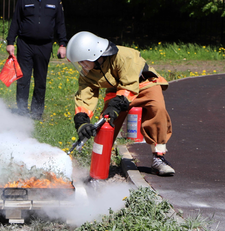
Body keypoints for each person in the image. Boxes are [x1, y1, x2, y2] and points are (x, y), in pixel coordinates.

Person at [66, 31, 175, 176]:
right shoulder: (89, 71)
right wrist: (82, 121)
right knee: (106, 123)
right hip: (117, 89)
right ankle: (99, 164)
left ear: (95, 55)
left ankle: (158, 158)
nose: (81, 65)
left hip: (144, 84)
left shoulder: (125, 56)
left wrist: (115, 106)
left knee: (157, 109)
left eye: (83, 61)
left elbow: (129, 85)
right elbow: (85, 95)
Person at [6, 0, 67, 120]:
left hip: (44, 46)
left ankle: (37, 112)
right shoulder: (23, 1)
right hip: (25, 44)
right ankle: (22, 111)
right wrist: (10, 42)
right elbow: (16, 21)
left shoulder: (55, 2)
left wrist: (62, 44)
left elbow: (60, 23)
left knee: (40, 80)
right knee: (23, 79)